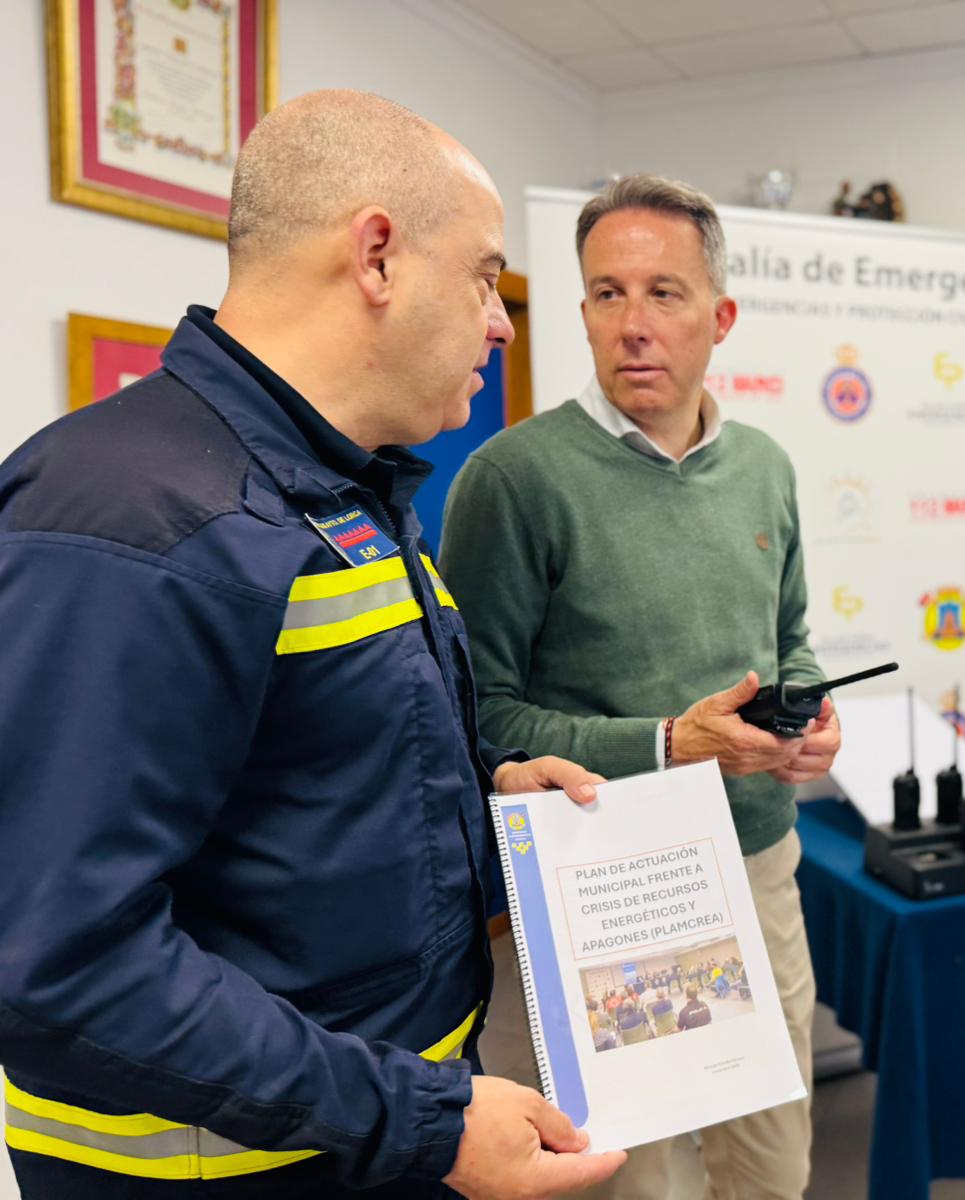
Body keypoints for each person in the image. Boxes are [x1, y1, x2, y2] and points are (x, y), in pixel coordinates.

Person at [0, 90, 624, 1200]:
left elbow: (296, 783)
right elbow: (60, 965)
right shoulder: (133, 519)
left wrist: (483, 795)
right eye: (485, 275)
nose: (503, 320)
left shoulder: (341, 489)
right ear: (377, 256)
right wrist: (424, 1125)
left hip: (370, 1132)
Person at [441, 173, 834, 1200]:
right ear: (579, 314)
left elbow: (786, 640)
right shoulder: (513, 479)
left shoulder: (765, 467)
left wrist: (807, 708)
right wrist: (670, 744)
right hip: (605, 885)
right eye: (607, 295)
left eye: (664, 293)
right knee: (633, 1178)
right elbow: (478, 713)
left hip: (754, 860)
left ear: (721, 317)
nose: (633, 325)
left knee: (772, 1164)